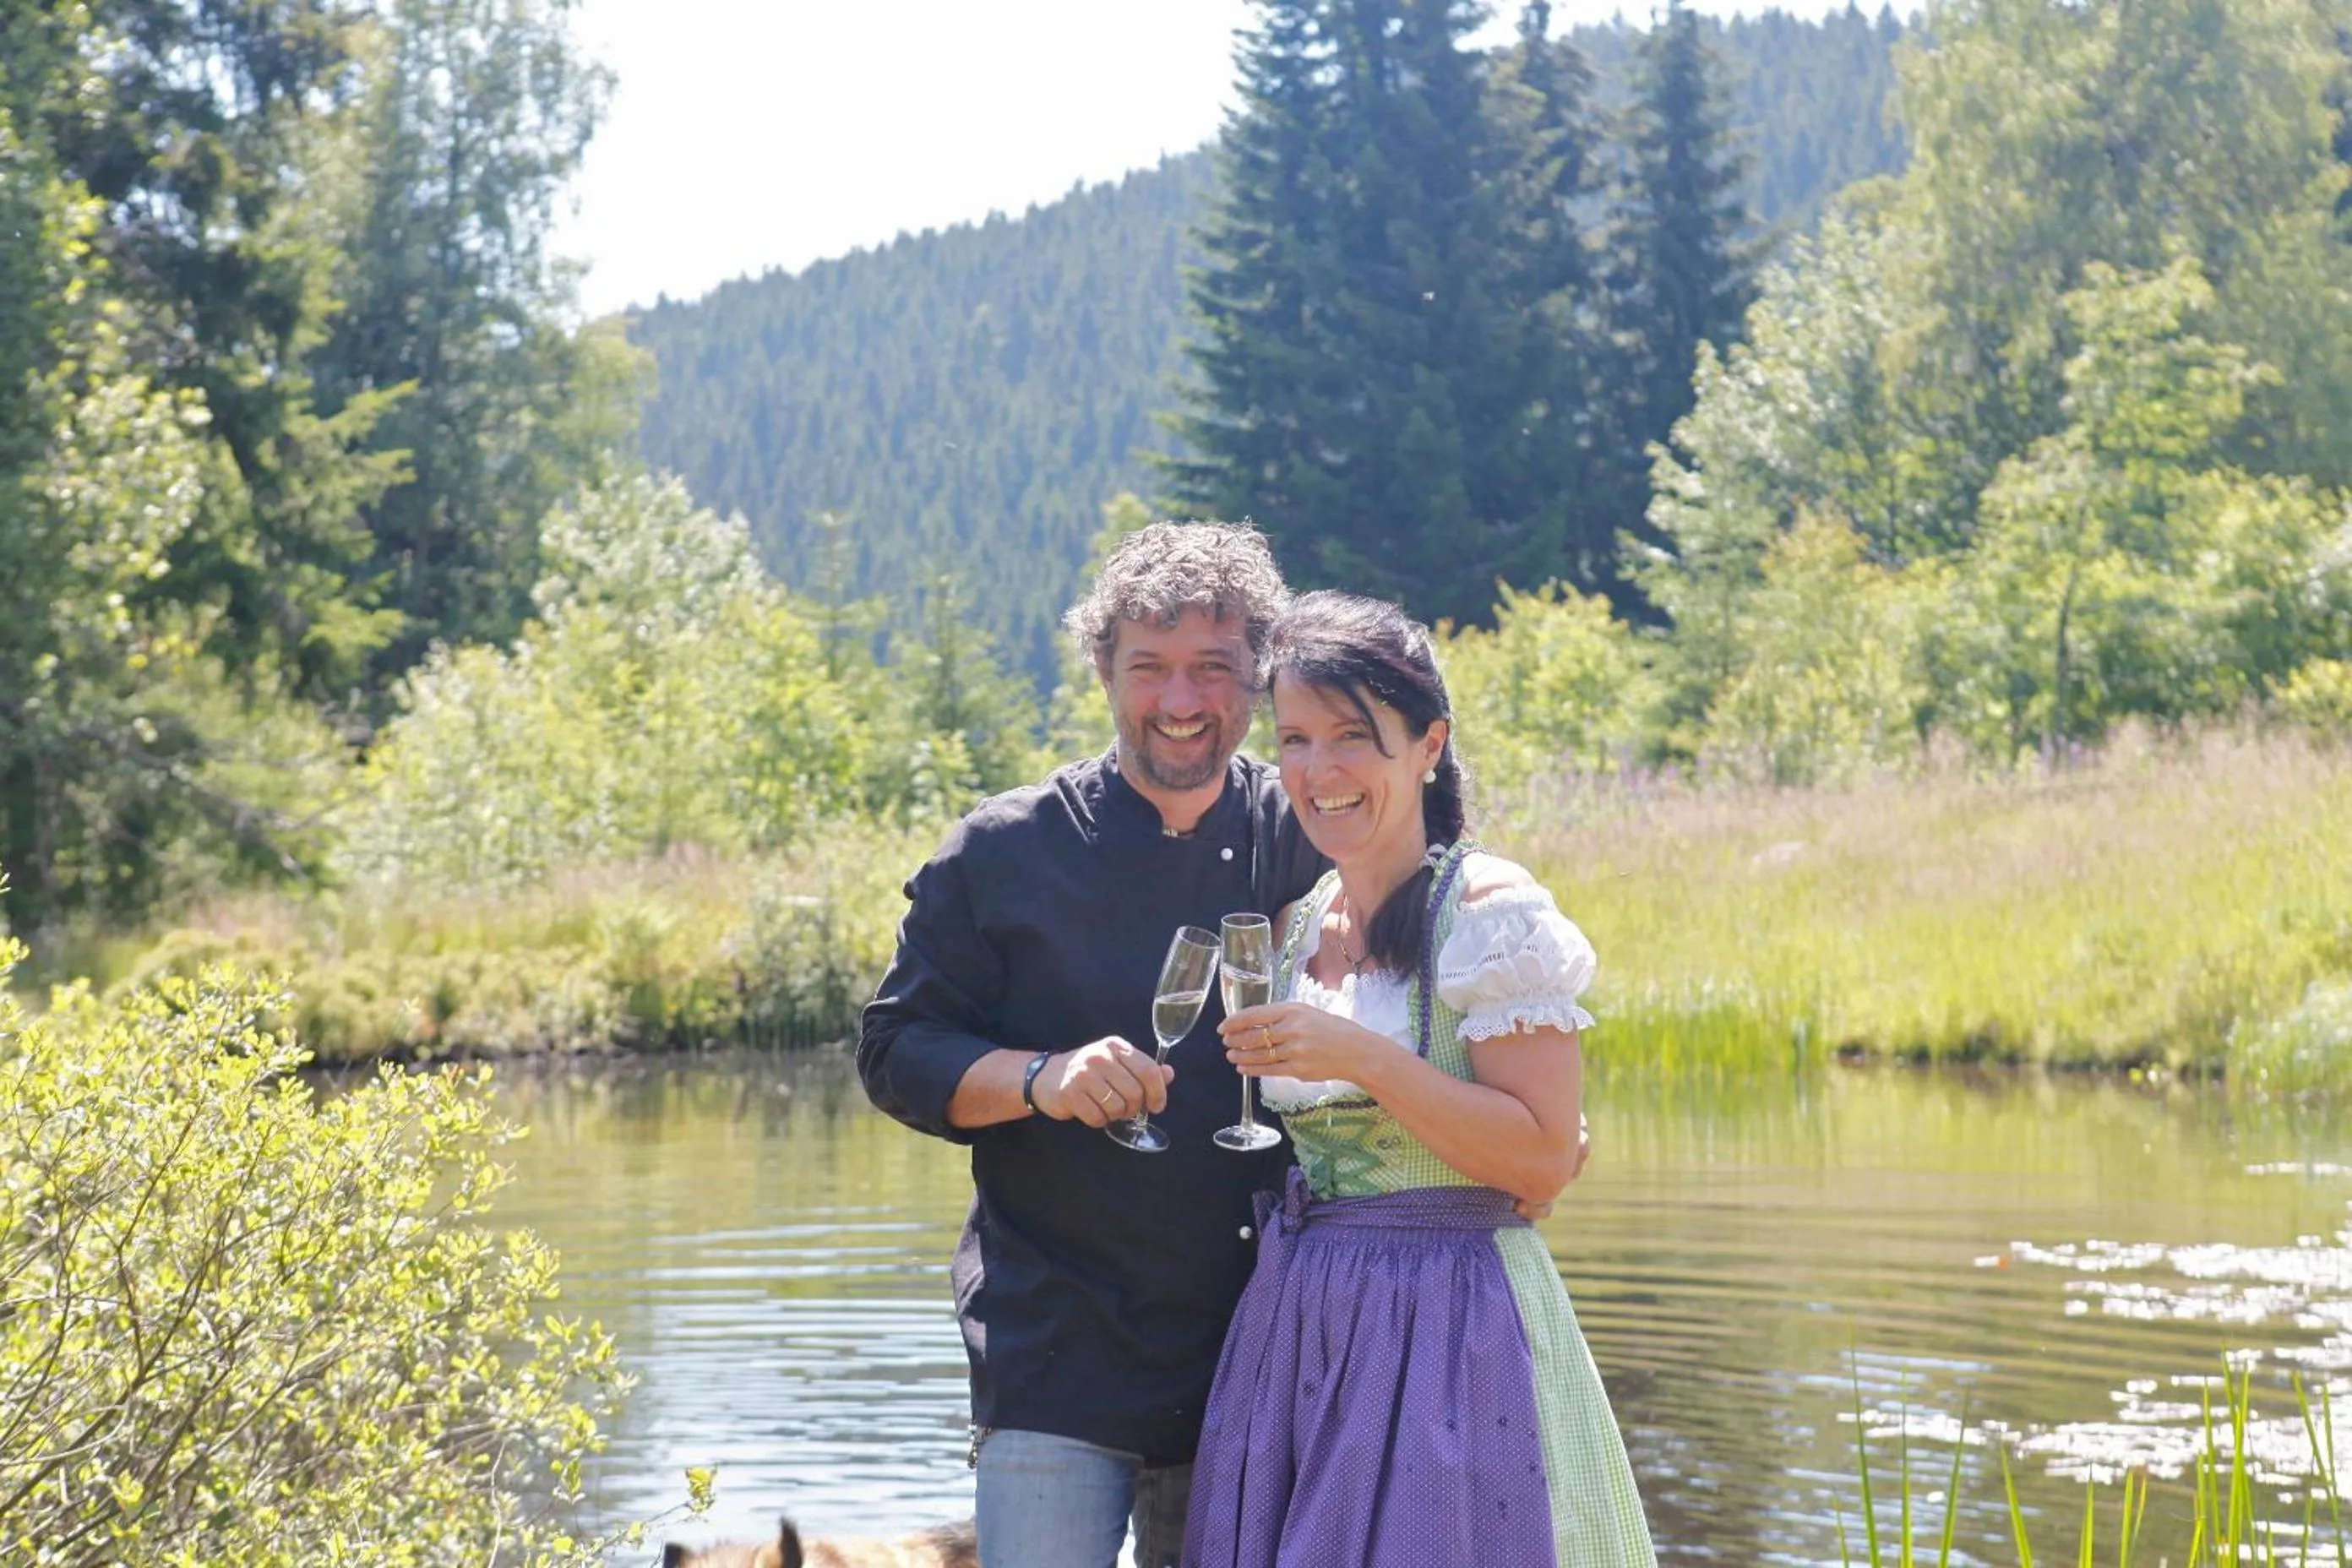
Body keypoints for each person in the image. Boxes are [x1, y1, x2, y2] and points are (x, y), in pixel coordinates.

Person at [857, 521, 1326, 1568]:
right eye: (1148, 666)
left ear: (1258, 675)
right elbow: (896, 1047)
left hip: (1257, 1351)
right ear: (1102, 669)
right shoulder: (1003, 848)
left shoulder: (1308, 835)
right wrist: (1037, 1077)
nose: (1181, 699)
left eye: (1214, 667)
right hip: (1051, 1349)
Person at [1184, 590, 1657, 1568]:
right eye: (1298, 739)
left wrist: (1360, 1055)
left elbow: (1540, 1157)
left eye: (1352, 736)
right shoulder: (1297, 925)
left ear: (1428, 743)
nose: (1319, 771)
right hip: (1307, 1317)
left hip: (1455, 1322)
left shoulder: (1487, 911)